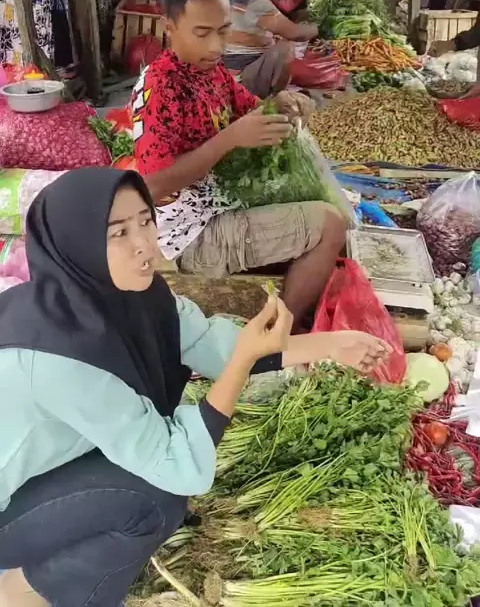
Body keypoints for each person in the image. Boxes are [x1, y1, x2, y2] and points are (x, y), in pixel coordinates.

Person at [0, 167, 390, 606]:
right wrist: (241, 365)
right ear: (77, 244)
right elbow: (175, 461)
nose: (145, 244)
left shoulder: (127, 296)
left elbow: (211, 344)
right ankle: (27, 594)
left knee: (152, 487)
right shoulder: (58, 357)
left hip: (36, 470)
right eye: (118, 233)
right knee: (152, 499)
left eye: (146, 221)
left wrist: (331, 344)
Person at [132, 0, 347, 331]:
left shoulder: (211, 73)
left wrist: (279, 103)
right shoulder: (160, 88)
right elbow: (151, 188)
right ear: (169, 28)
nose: (217, 46)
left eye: (223, 30)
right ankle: (276, 334)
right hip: (190, 236)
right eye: (202, 33)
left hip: (220, 204)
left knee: (321, 208)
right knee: (331, 225)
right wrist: (230, 139)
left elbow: (251, 110)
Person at [225, 0, 319, 97]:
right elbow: (294, 33)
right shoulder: (257, 2)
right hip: (239, 75)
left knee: (277, 41)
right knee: (285, 48)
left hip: (228, 69)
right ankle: (275, 98)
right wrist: (317, 29)